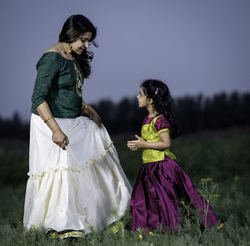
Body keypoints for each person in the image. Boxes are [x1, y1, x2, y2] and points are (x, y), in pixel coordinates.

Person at [23, 14, 132, 239]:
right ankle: (61, 225)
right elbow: (38, 99)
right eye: (83, 39)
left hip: (71, 119)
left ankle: (105, 216)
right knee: (64, 169)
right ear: (70, 36)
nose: (86, 45)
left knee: (97, 141)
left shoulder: (72, 55)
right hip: (50, 122)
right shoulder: (51, 59)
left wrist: (90, 112)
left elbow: (68, 94)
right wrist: (55, 130)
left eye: (89, 40)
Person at [127, 79, 222, 232]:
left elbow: (166, 144)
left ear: (150, 100)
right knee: (144, 200)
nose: (138, 97)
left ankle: (176, 228)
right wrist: (140, 144)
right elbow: (152, 141)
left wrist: (143, 144)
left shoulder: (159, 120)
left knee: (169, 199)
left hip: (161, 168)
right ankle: (151, 229)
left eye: (141, 94)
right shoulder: (147, 120)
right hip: (149, 167)